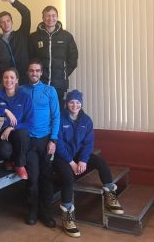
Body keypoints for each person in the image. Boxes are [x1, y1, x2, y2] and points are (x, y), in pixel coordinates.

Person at [54, 89, 124, 238]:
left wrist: (83, 160)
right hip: (62, 157)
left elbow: (88, 144)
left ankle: (110, 195)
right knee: (68, 179)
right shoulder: (59, 118)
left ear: (81, 104)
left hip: (79, 156)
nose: (74, 105)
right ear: (67, 103)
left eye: (77, 102)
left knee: (100, 162)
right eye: (72, 102)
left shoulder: (87, 120)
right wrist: (71, 162)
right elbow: (58, 144)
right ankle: (67, 216)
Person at [20, 59, 60, 228]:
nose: (34, 73)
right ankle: (32, 212)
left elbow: (56, 116)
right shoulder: (21, 90)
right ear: (27, 72)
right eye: (31, 70)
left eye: (37, 70)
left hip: (45, 140)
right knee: (33, 178)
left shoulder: (50, 91)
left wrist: (53, 140)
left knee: (46, 178)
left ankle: (46, 213)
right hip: (28, 141)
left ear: (41, 73)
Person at [0, 68, 33, 179]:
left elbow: (30, 123)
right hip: (1, 136)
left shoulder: (25, 98)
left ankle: (19, 165)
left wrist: (12, 128)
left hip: (18, 134)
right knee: (4, 150)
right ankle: (9, 160)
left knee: (23, 135)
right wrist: (4, 110)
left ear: (17, 80)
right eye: (5, 77)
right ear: (2, 79)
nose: (8, 80)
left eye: (12, 77)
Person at [29, 5, 78, 109]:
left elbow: (73, 59)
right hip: (40, 83)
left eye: (53, 15)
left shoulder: (67, 36)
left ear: (57, 17)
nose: (50, 19)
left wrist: (64, 73)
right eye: (47, 16)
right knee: (40, 110)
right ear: (43, 18)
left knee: (57, 112)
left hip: (59, 84)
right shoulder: (34, 37)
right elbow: (30, 59)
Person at [0, 0, 31, 85]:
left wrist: (11, 0)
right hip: (7, 80)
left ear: (12, 22)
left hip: (24, 78)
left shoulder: (22, 34)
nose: (6, 24)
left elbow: (26, 13)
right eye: (2, 22)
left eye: (8, 21)